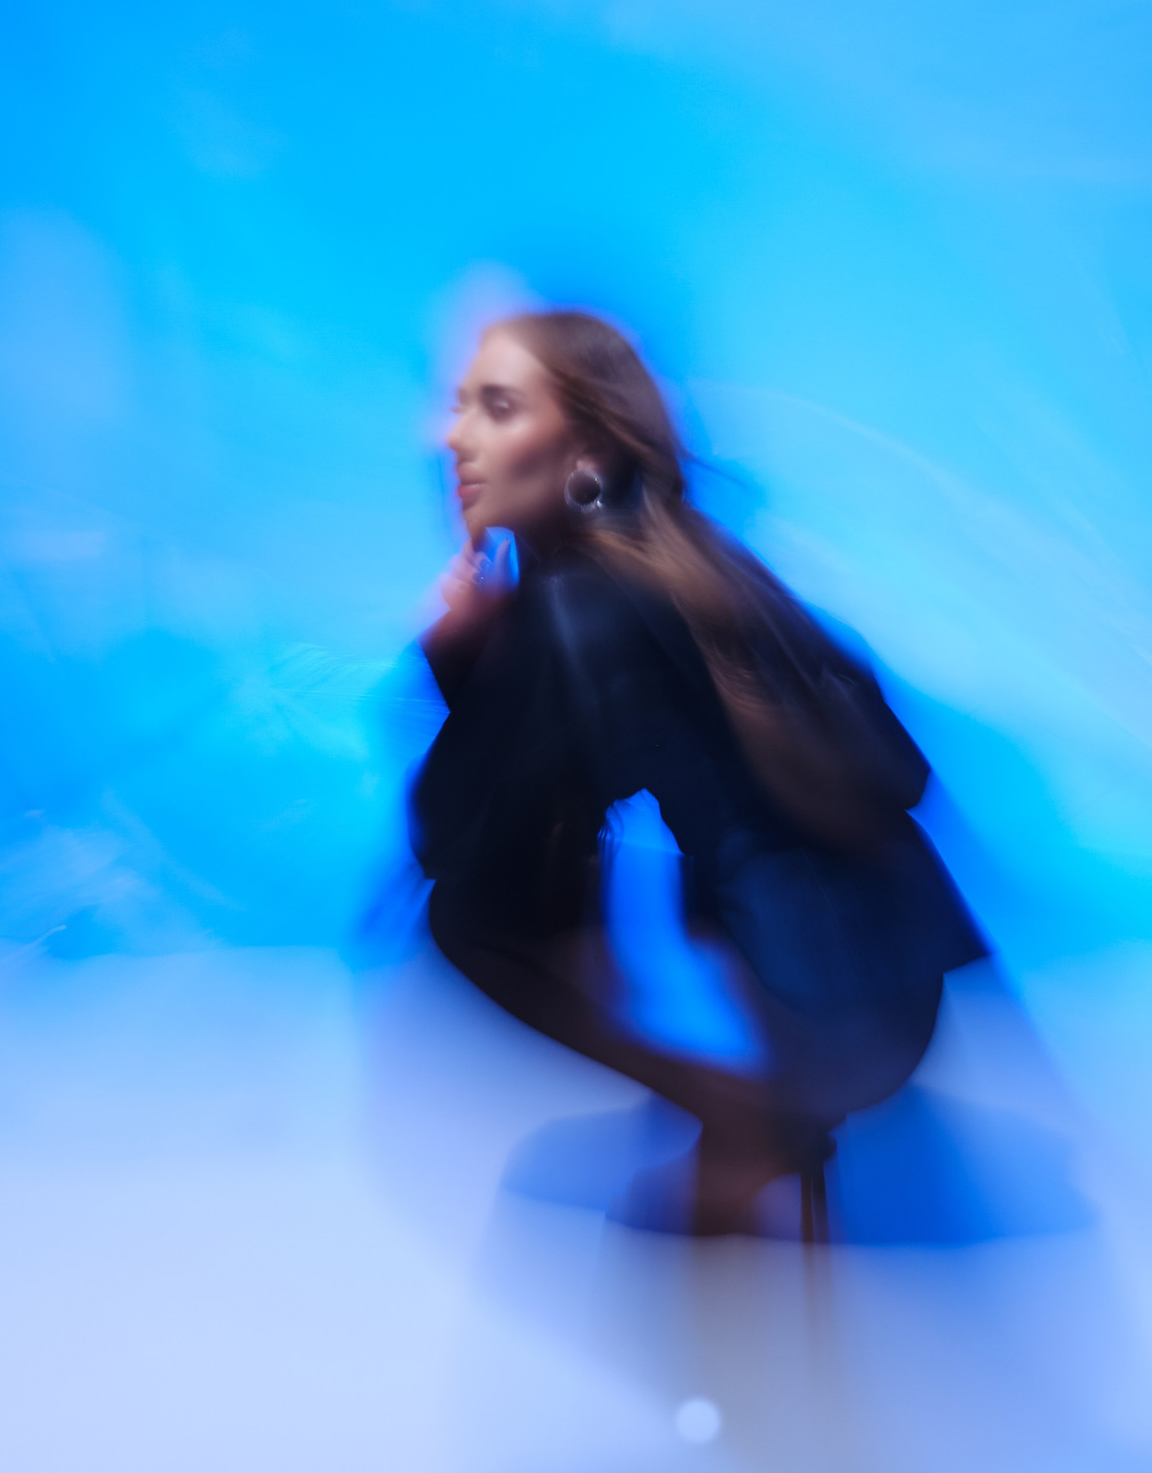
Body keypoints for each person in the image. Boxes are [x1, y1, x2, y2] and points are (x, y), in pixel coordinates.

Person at [413, 308, 984, 1234]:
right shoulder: (704, 562)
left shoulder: (576, 612)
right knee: (653, 844)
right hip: (906, 1007)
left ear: (587, 451)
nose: (454, 437)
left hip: (832, 1030)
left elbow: (447, 835)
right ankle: (775, 1093)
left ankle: (749, 1121)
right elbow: (902, 770)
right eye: (459, 405)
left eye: (499, 407)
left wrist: (460, 668)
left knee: (467, 914)